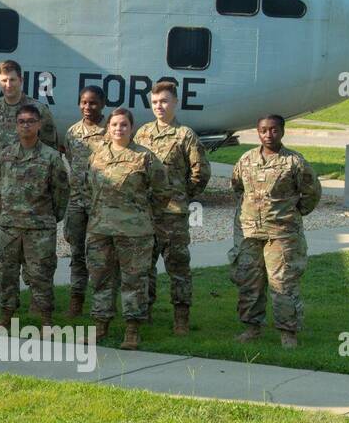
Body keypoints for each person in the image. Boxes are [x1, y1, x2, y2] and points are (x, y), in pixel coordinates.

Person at [229, 115, 321, 348]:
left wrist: (295, 213)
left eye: (274, 130)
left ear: (282, 131)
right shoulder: (246, 159)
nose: (268, 135)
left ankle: (288, 333)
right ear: (257, 132)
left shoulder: (294, 162)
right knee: (249, 281)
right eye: (263, 130)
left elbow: (311, 192)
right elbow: (237, 187)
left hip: (281, 234)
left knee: (282, 283)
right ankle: (251, 328)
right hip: (249, 233)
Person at [0, 60, 59, 307]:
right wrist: (1, 170)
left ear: (21, 80)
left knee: (34, 248)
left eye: (13, 79)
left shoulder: (38, 111)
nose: (8, 84)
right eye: (4, 80)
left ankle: (36, 296)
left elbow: (51, 147)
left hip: (31, 194)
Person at [86, 108, 169, 349]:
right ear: (108, 128)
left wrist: (140, 212)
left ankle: (132, 330)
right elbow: (88, 186)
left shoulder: (145, 157)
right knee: (101, 279)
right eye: (114, 125)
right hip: (100, 229)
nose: (118, 129)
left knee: (134, 281)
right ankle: (100, 325)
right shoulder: (97, 156)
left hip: (134, 232)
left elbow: (162, 192)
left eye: (123, 125)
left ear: (131, 128)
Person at [133, 80, 211, 332]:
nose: (159, 106)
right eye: (155, 102)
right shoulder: (142, 133)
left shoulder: (184, 135)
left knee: (177, 267)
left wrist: (181, 195)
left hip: (173, 215)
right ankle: (144, 313)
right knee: (144, 266)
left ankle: (181, 317)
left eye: (164, 101)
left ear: (175, 102)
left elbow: (201, 172)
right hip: (146, 212)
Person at [0, 103, 69, 331]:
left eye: (30, 121)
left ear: (39, 125)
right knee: (6, 275)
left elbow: (61, 193)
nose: (26, 125)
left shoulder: (51, 157)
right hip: (9, 227)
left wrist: (48, 217)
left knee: (41, 275)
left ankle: (46, 321)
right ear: (16, 126)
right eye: (21, 121)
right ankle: (6, 319)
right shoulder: (6, 156)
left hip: (39, 228)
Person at [63, 86, 107, 316]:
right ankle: (76, 299)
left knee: (101, 256)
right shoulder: (72, 132)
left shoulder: (112, 130)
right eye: (83, 102)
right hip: (77, 203)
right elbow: (72, 161)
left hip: (102, 205)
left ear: (102, 104)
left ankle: (102, 306)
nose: (87, 107)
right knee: (77, 253)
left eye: (93, 103)